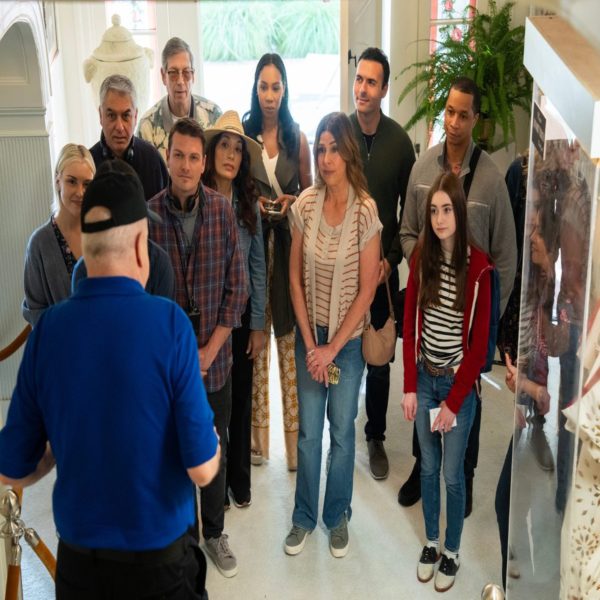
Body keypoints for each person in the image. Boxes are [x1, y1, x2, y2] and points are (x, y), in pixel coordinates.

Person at [0, 159, 220, 599]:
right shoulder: (170, 325)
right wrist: (211, 444)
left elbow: (12, 468)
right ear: (140, 246)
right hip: (160, 569)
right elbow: (200, 470)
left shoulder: (49, 331)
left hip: (81, 570)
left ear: (86, 246)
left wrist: (66, 446)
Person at [399, 76, 517, 515]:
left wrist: (483, 319)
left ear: (476, 119)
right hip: (431, 323)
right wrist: (425, 268)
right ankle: (422, 468)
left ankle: (463, 475)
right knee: (427, 393)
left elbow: (506, 258)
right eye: (449, 111)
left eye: (463, 115)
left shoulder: (491, 181)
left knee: (467, 401)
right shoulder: (422, 170)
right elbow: (408, 232)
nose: (453, 122)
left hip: (468, 329)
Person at [148, 118, 248, 578]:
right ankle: (185, 539)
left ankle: (214, 532)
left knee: (214, 446)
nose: (186, 166)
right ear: (167, 158)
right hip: (168, 368)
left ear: (203, 163)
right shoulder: (148, 217)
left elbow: (237, 289)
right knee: (174, 451)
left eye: (193, 157)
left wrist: (209, 350)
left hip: (216, 361)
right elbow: (141, 298)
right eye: (179, 156)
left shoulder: (223, 212)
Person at [283, 112, 380, 558]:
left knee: (341, 432)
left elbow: (367, 289)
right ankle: (303, 516)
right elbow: (294, 280)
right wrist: (311, 346)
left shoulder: (365, 211)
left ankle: (337, 514)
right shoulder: (304, 205)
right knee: (308, 434)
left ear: (348, 152)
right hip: (310, 337)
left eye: (334, 149)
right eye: (320, 149)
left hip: (348, 343)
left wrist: (331, 349)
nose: (325, 158)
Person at [401, 172, 492, 593]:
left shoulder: (479, 268)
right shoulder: (423, 257)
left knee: (453, 474)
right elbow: (409, 323)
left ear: (459, 213)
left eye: (447, 210)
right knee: (428, 467)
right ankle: (432, 543)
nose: (439, 219)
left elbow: (478, 349)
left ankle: (452, 550)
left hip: (457, 388)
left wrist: (454, 403)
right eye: (434, 211)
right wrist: (409, 385)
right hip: (425, 379)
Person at [242, 53, 312, 471]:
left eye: (276, 87)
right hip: (254, 251)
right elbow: (234, 189)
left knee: (288, 347)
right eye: (263, 87)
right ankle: (258, 444)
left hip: (286, 250)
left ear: (285, 90)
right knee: (256, 345)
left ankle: (293, 447)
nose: (269, 95)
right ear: (255, 88)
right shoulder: (244, 135)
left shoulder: (297, 137)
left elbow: (310, 194)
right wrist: (252, 203)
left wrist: (291, 202)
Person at [349, 46, 415, 480]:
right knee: (341, 347)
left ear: (385, 89)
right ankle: (340, 426)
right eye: (359, 79)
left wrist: (391, 261)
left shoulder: (400, 143)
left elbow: (408, 214)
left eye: (372, 82)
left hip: (382, 271)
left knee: (378, 355)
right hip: (342, 268)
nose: (363, 88)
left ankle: (375, 436)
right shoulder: (340, 133)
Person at [202, 110, 266, 509]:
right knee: (212, 406)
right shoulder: (200, 198)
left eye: (237, 149)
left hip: (241, 319)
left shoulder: (248, 203)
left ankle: (239, 480)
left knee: (241, 399)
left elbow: (257, 264)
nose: (230, 154)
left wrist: (258, 324)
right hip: (209, 318)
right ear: (211, 152)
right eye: (224, 146)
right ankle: (215, 482)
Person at [22, 143, 95, 326]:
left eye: (87, 184)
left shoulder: (102, 234)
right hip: (58, 341)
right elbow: (35, 311)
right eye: (72, 181)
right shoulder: (39, 244)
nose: (80, 192)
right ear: (57, 180)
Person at [138, 37, 222, 162]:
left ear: (193, 76)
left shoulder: (213, 117)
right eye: (173, 73)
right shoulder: (147, 126)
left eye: (186, 72)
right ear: (163, 76)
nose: (180, 81)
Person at [89, 73, 168, 200]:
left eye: (126, 116)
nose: (119, 127)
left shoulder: (152, 160)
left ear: (135, 116)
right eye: (111, 116)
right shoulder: (88, 165)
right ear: (100, 115)